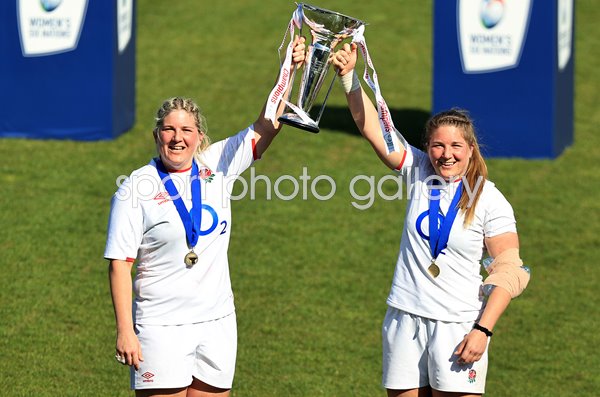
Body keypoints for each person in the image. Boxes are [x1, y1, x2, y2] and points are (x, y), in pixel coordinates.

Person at [104, 37, 305, 397]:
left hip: (217, 324)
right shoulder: (136, 187)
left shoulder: (217, 166)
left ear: (200, 138)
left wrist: (289, 67)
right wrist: (125, 330)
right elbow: (120, 264)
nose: (177, 138)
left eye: (186, 131)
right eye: (168, 129)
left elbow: (269, 124)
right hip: (160, 325)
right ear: (156, 135)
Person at [332, 43, 530, 397]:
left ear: (471, 149)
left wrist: (483, 330)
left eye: (456, 147)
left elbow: (511, 269)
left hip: (458, 326)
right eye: (438, 145)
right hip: (405, 317)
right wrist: (348, 77)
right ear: (429, 147)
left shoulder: (490, 200)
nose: (446, 154)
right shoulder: (419, 170)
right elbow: (374, 129)